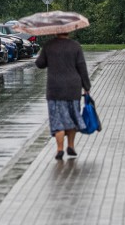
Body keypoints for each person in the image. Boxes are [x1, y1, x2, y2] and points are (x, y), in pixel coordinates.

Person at [35, 32, 91, 160]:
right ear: (69, 31)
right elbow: (82, 67)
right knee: (72, 117)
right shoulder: (75, 46)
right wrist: (86, 87)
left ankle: (59, 149)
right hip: (73, 88)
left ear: (55, 31)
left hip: (55, 89)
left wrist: (44, 54)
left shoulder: (49, 46)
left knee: (57, 120)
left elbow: (40, 64)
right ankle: (70, 146)